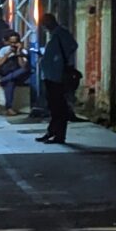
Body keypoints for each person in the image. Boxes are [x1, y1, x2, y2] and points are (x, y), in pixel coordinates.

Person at [38, 10, 81, 143]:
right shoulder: (53, 35)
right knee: (53, 106)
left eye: (45, 23)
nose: (44, 26)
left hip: (57, 75)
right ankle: (51, 131)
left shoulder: (61, 34)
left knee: (58, 106)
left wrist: (59, 59)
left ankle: (59, 135)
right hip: (50, 75)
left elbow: (72, 46)